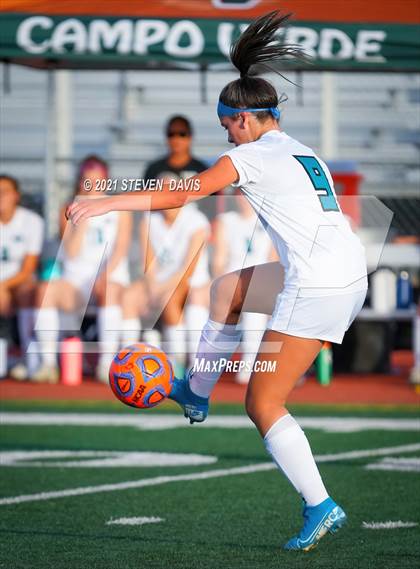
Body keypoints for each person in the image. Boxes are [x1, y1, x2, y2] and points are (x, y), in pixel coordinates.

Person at [67, 12, 368, 552]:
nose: (223, 133)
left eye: (226, 122)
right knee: (225, 290)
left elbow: (183, 193)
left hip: (318, 283)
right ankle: (197, 393)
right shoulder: (297, 147)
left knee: (263, 403)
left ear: (247, 119)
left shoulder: (247, 154)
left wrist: (105, 198)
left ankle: (320, 504)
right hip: (346, 272)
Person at [34, 156, 132, 383]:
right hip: (75, 283)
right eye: (87, 181)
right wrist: (85, 213)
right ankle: (47, 364)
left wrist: (104, 276)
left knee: (108, 288)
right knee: (44, 291)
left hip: (108, 279)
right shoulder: (67, 209)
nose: (92, 186)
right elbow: (72, 252)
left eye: (97, 181)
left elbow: (121, 249)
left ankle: (107, 364)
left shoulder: (120, 208)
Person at [123, 174, 210, 376]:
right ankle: (124, 362)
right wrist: (152, 286)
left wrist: (159, 290)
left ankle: (178, 361)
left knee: (169, 299)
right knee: (128, 297)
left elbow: (187, 270)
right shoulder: (148, 220)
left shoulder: (196, 221)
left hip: (192, 282)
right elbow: (149, 262)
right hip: (159, 283)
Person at [212, 189, 277, 383]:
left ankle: (251, 360)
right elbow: (219, 260)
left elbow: (273, 261)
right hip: (233, 280)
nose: (244, 199)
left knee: (255, 299)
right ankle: (200, 361)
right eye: (240, 194)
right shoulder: (226, 221)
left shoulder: (270, 222)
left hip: (261, 281)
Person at [0, 175, 44, 379]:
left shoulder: (31, 221)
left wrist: (3, 286)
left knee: (28, 291)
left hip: (17, 282)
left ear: (16, 196)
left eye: (5, 191)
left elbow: (28, 269)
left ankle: (30, 358)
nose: (1, 196)